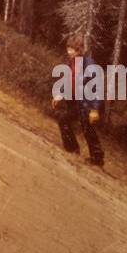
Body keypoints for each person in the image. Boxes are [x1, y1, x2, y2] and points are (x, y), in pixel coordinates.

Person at [52, 34, 105, 166]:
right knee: (64, 120)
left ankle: (97, 158)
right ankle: (72, 149)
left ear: (80, 49)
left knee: (87, 128)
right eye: (68, 48)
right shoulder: (72, 62)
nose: (69, 52)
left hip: (87, 103)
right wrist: (60, 94)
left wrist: (94, 110)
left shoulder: (89, 65)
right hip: (76, 101)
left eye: (72, 49)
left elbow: (97, 89)